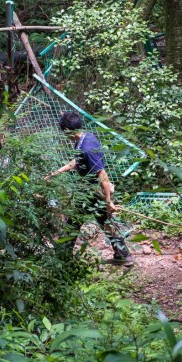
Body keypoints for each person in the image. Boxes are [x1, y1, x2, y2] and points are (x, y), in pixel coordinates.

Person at [44, 111, 134, 266]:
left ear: (67, 130)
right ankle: (123, 255)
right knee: (104, 222)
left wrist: (107, 202)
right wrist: (56, 172)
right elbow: (77, 161)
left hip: (91, 193)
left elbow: (103, 175)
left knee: (74, 222)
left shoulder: (87, 147)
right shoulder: (86, 137)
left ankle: (61, 257)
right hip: (87, 191)